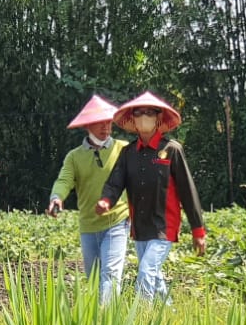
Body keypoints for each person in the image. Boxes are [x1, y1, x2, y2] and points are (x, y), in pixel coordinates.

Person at [95, 91, 206, 302]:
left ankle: (141, 318)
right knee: (154, 276)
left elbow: (187, 191)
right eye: (139, 113)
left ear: (158, 118)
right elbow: (115, 182)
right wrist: (106, 200)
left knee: (146, 271)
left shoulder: (172, 150)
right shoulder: (128, 154)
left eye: (150, 112)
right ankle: (169, 313)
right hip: (140, 225)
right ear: (133, 120)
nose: (144, 116)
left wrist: (198, 230)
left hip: (165, 225)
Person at [46, 95, 131, 304]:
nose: (105, 126)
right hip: (88, 226)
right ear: (87, 125)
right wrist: (56, 198)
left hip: (117, 221)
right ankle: (95, 323)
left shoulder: (124, 149)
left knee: (110, 274)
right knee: (93, 278)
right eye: (99, 122)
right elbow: (64, 180)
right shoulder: (74, 157)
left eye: (109, 121)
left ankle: (106, 322)